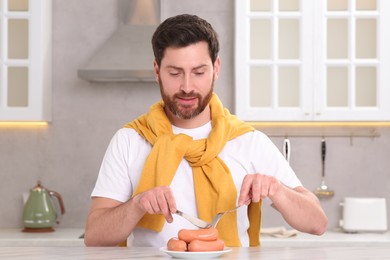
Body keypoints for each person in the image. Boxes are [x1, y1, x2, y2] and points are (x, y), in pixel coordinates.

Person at [84, 14, 327, 247]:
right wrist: (137, 204)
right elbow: (95, 235)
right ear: (157, 71)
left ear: (216, 68)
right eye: (175, 73)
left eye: (199, 72)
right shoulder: (129, 140)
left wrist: (277, 190)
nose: (187, 87)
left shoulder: (249, 141)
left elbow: (317, 223)